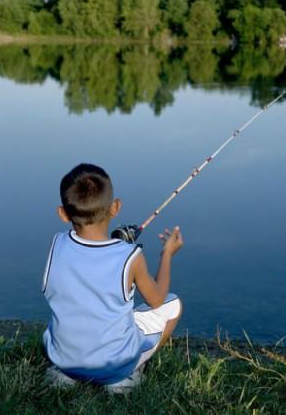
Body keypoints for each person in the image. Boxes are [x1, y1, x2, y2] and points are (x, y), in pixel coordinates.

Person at [42, 163, 183, 391]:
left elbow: (88, 264)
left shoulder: (56, 245)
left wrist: (118, 245)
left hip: (64, 360)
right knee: (173, 304)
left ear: (62, 213)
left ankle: (65, 377)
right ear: (115, 207)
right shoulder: (131, 256)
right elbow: (156, 299)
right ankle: (128, 373)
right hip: (113, 366)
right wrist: (166, 254)